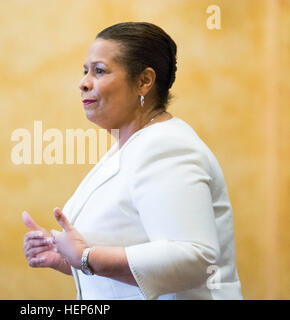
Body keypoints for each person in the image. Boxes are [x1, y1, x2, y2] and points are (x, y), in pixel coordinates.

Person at [22, 22, 242, 300]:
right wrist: (65, 258)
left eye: (99, 71)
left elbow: (195, 257)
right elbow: (133, 249)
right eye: (85, 71)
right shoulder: (128, 147)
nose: (84, 82)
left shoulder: (166, 146)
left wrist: (88, 257)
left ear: (143, 81)